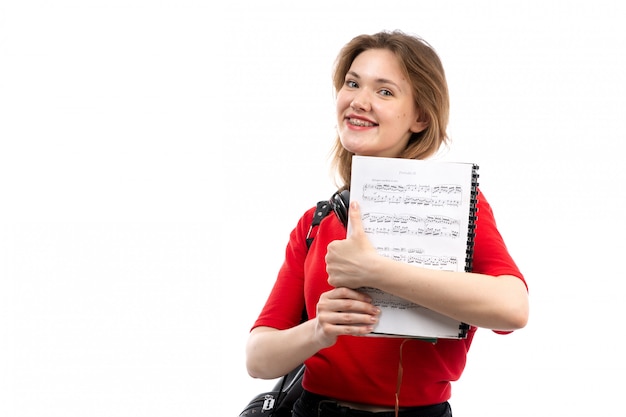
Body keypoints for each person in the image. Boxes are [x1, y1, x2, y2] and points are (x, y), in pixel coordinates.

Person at [246, 30, 529, 417]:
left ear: (421, 117)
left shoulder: (459, 208)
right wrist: (318, 331)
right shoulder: (316, 224)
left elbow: (513, 308)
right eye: (352, 83)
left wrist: (376, 271)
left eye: (384, 91)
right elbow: (258, 359)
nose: (359, 101)